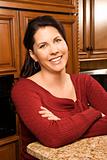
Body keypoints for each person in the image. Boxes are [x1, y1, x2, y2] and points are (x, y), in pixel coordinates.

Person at [11, 15, 107, 160]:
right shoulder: (23, 90)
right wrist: (93, 113)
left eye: (57, 40)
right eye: (43, 46)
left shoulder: (85, 81)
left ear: (66, 43)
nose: (54, 50)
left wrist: (63, 124)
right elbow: (53, 137)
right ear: (33, 55)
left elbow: (61, 132)